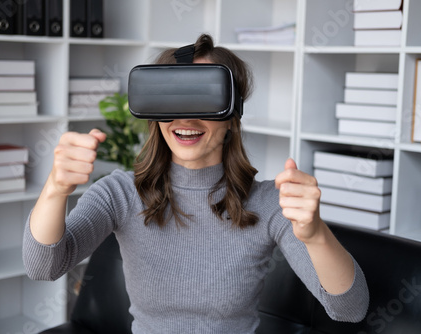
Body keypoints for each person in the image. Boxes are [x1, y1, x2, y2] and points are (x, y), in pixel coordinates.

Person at [23, 34, 369, 333]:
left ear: (232, 117)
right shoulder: (120, 193)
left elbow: (350, 310)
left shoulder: (269, 204)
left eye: (203, 97)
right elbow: (43, 266)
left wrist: (315, 233)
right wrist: (56, 187)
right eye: (173, 97)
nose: (185, 118)